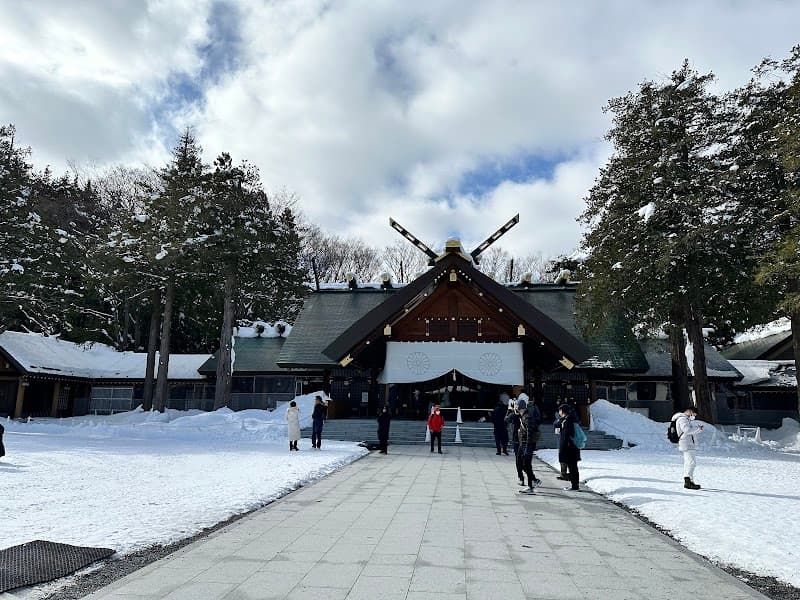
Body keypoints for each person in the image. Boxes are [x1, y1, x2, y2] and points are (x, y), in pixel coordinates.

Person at [672, 406, 704, 489]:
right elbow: (687, 430)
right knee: (691, 463)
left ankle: (690, 480)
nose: (694, 416)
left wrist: (697, 430)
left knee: (688, 463)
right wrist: (698, 429)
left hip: (688, 443)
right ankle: (688, 481)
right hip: (686, 443)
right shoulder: (683, 419)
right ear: (690, 412)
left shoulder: (685, 419)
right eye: (694, 414)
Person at [517, 403, 543, 494]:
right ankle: (534, 480)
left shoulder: (527, 418)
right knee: (521, 463)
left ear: (522, 409)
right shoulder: (522, 417)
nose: (516, 409)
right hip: (523, 444)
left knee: (526, 464)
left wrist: (528, 446)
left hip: (527, 444)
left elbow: (530, 433)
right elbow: (508, 419)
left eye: (518, 407)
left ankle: (531, 486)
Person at [557, 404, 581, 491]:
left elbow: (567, 435)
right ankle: (574, 485)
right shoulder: (570, 419)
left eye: (560, 410)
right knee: (573, 467)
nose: (559, 412)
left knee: (572, 467)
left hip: (570, 448)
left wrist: (563, 449)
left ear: (563, 411)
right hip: (572, 447)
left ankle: (575, 486)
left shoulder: (568, 421)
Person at [553, 413, 569, 481]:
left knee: (567, 459)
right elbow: (555, 424)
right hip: (563, 441)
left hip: (568, 442)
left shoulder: (569, 419)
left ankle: (568, 475)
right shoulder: (562, 419)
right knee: (562, 458)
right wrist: (560, 419)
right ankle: (563, 474)